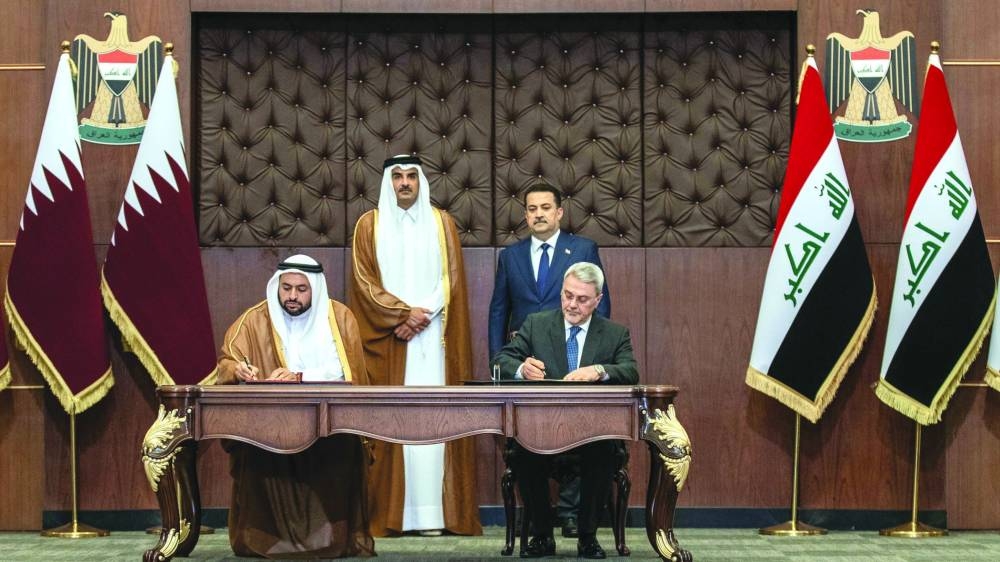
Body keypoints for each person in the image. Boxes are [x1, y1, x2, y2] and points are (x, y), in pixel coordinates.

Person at [349, 155, 482, 537]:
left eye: (411, 176)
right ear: (387, 183)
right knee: (396, 423)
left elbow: (451, 278)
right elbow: (364, 283)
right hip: (390, 342)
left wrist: (421, 316)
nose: (405, 183)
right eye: (397, 177)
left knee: (434, 421)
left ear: (421, 181)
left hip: (433, 341)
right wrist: (400, 315)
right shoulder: (368, 225)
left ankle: (435, 517)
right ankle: (394, 517)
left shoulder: (442, 223)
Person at [216, 254, 375, 559]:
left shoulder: (339, 318)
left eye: (301, 289)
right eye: (286, 287)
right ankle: (263, 539)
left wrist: (299, 378)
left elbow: (349, 373)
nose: (292, 296)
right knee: (257, 449)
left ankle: (329, 540)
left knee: (341, 447)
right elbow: (226, 361)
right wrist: (237, 370)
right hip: (269, 428)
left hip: (326, 423)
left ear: (315, 288)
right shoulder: (254, 320)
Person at [487, 183, 611, 538]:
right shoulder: (510, 257)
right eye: (531, 208)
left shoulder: (583, 248)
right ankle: (538, 517)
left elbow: (600, 306)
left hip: (574, 359)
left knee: (578, 434)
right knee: (530, 439)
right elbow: (499, 311)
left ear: (559, 212)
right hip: (528, 362)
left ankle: (571, 514)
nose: (538, 214)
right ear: (525, 214)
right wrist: (500, 367)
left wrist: (594, 359)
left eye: (545, 207)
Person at [493, 262, 638, 559]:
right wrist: (522, 368)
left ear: (598, 300)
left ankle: (588, 537)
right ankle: (543, 536)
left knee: (604, 452)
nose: (571, 304)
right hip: (542, 428)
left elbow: (630, 370)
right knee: (522, 451)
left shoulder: (614, 333)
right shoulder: (536, 324)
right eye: (567, 295)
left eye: (582, 299)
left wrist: (599, 371)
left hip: (591, 430)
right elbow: (501, 361)